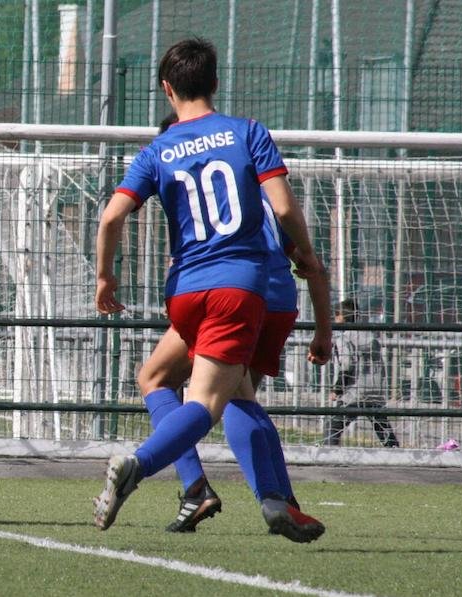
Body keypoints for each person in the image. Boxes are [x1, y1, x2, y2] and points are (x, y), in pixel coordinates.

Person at [92, 38, 331, 543]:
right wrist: (307, 255)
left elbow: (112, 216)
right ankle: (140, 464)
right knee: (210, 402)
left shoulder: (157, 150)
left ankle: (225, 492)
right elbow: (284, 209)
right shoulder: (247, 133)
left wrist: (105, 277)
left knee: (177, 381)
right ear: (216, 83)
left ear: (166, 90)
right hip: (242, 288)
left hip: (184, 290)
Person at [139, 186, 333, 533]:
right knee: (238, 396)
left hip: (236, 295)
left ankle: (195, 488)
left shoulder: (200, 190)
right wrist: (323, 330)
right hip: (280, 301)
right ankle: (282, 501)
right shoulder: (260, 191)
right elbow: (314, 266)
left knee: (155, 379)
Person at [323, 298, 399, 447]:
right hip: (375, 388)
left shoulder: (344, 338)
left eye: (337, 315)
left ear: (343, 316)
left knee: (334, 426)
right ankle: (394, 449)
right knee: (380, 424)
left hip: (354, 391)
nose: (335, 318)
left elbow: (347, 366)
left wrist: (337, 389)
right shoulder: (371, 337)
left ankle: (328, 451)